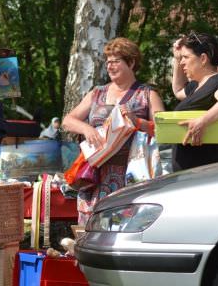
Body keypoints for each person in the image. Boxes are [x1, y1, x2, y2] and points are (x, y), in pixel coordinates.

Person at [62, 37, 165, 225]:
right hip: (94, 176)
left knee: (127, 228)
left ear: (131, 63)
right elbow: (68, 121)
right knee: (90, 230)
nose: (109, 66)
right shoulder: (97, 93)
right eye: (107, 62)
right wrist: (86, 129)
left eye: (115, 61)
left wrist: (138, 122)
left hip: (132, 176)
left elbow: (164, 131)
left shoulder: (147, 94)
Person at [171, 32, 218, 170]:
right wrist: (177, 58)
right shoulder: (197, 84)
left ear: (203, 59)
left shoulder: (217, 81)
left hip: (206, 173)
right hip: (194, 172)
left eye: (185, 57)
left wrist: (201, 122)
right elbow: (178, 91)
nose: (182, 62)